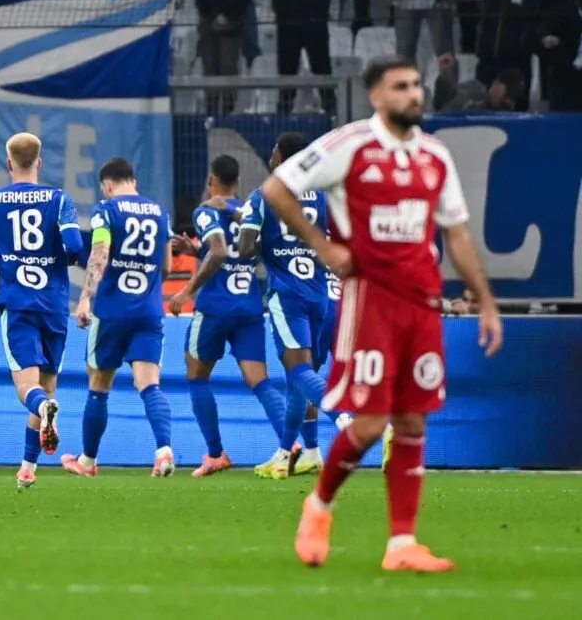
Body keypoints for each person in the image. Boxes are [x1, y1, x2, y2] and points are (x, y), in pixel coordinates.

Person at [262, 55, 504, 572]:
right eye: (401, 87)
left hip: (421, 304)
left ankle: (402, 545)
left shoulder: (435, 155)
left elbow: (457, 231)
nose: (414, 93)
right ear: (377, 95)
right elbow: (276, 188)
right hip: (370, 301)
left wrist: (484, 299)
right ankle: (320, 504)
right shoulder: (349, 145)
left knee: (413, 420)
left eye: (416, 85)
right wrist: (324, 248)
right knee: (370, 422)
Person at [0, 132, 84, 489]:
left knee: (27, 389)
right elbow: (75, 247)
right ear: (40, 161)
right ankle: (28, 468)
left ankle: (42, 421)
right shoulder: (59, 199)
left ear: (8, 162)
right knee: (46, 388)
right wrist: (52, 256)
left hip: (18, 303)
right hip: (53, 304)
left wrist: (7, 256)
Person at [168, 155, 287, 476]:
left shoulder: (206, 211)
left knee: (196, 377)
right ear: (237, 182)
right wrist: (197, 252)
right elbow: (244, 251)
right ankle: (289, 446)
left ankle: (215, 453)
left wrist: (188, 290)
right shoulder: (250, 212)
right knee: (260, 382)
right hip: (249, 309)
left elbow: (220, 251)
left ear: (211, 180)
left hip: (215, 310)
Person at [65, 157, 177, 479]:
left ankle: (87, 461)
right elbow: (167, 268)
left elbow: (100, 253)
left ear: (108, 185)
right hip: (149, 311)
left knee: (99, 385)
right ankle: (164, 451)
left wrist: (85, 297)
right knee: (149, 385)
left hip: (112, 312)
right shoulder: (160, 213)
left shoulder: (106, 210)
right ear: (134, 181)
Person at [238, 133, 332, 479]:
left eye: (274, 151)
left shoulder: (265, 194)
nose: (271, 155)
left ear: (282, 158)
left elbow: (246, 247)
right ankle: (292, 453)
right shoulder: (323, 196)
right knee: (299, 382)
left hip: (287, 294)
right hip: (319, 294)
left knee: (298, 373)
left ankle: (348, 417)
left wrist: (263, 244)